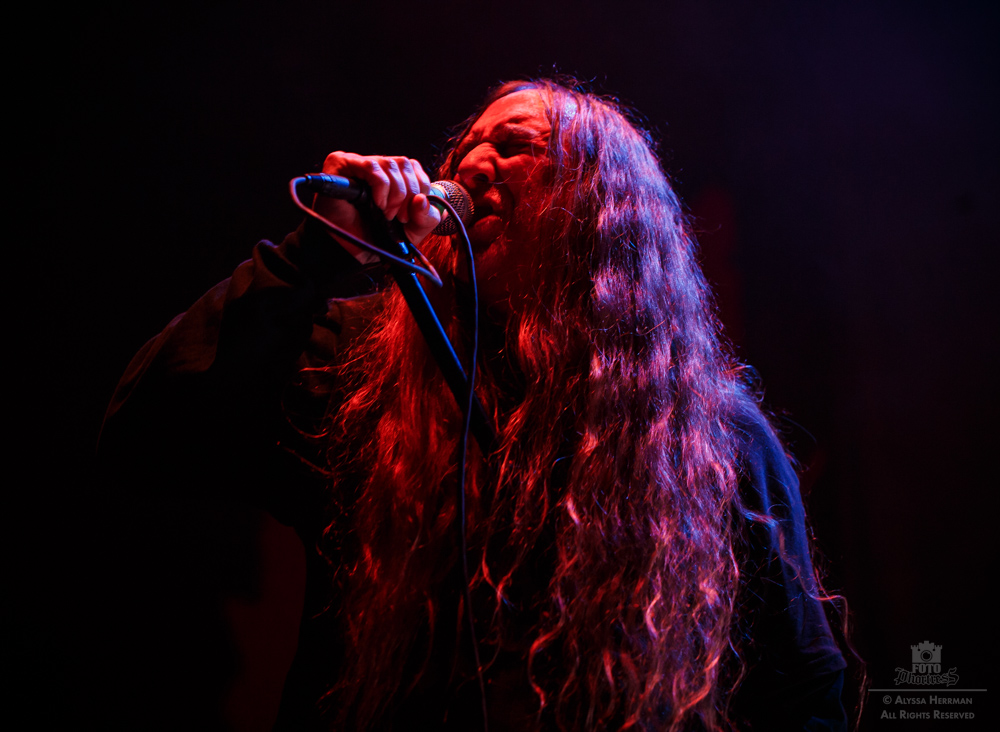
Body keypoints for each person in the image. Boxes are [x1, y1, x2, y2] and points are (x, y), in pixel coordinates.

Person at [99, 79, 848, 731]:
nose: (470, 165)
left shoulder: (701, 434)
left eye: (517, 147)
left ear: (601, 207)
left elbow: (804, 688)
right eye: (462, 155)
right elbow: (148, 428)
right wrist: (313, 256)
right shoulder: (364, 372)